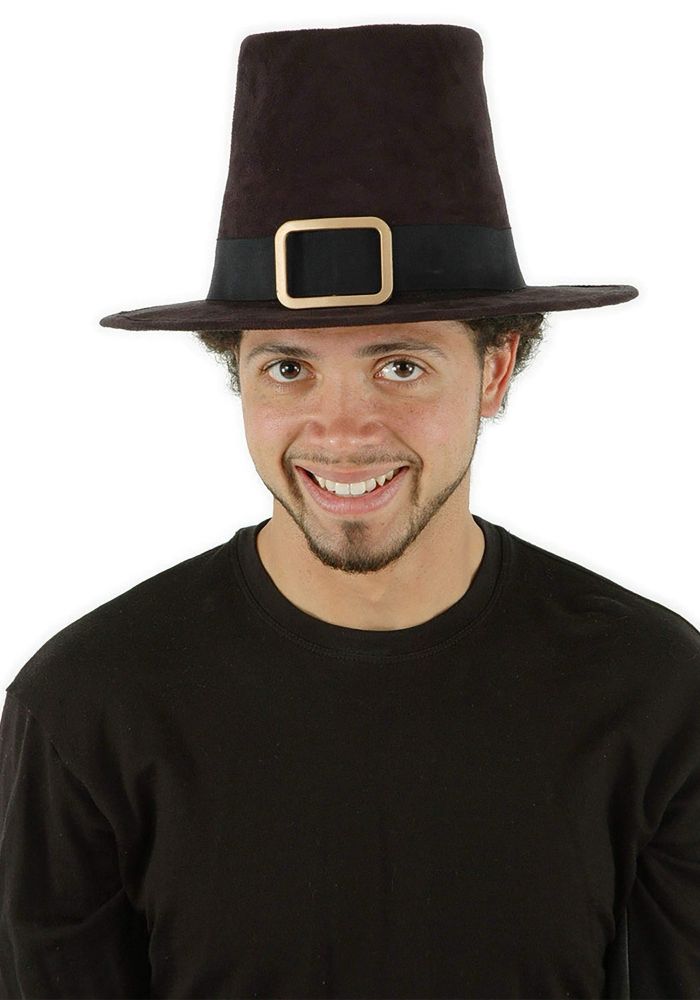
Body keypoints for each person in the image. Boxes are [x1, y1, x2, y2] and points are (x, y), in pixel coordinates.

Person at [1, 22, 698, 1000]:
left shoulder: (656, 690)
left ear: (494, 369)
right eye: (286, 366)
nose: (340, 429)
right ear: (237, 376)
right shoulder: (86, 709)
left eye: (400, 364)